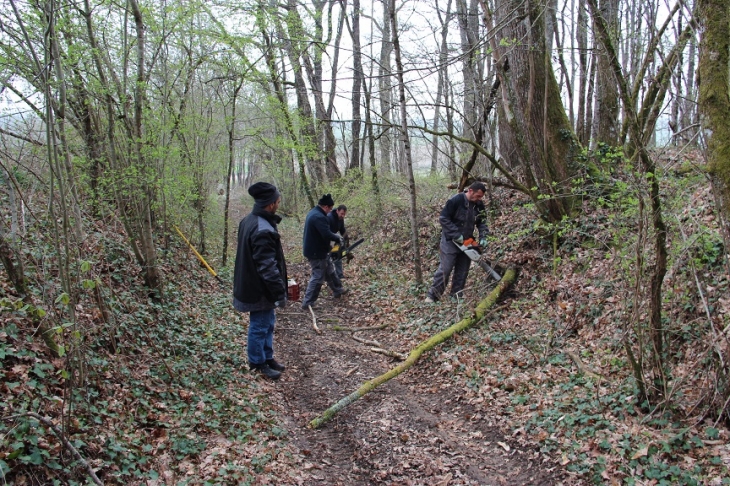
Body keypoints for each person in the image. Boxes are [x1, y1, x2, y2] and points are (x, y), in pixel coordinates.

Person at [233, 182, 288, 380]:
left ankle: (267, 356)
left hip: (255, 285)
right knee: (260, 324)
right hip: (259, 288)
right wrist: (279, 292)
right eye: (277, 200)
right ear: (271, 204)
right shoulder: (262, 228)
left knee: (268, 321)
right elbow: (267, 267)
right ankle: (257, 363)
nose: (279, 202)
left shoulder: (249, 220)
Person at [426, 181, 489, 303]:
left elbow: (482, 222)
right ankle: (432, 296)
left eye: (481, 197)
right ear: (470, 191)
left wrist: (483, 236)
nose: (479, 199)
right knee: (446, 268)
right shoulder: (456, 200)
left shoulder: (479, 205)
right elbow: (443, 218)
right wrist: (455, 234)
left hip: (467, 240)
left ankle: (456, 295)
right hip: (450, 241)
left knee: (463, 270)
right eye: (478, 196)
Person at [301, 194, 348, 309]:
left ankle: (338, 289)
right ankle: (308, 302)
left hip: (319, 249)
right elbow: (326, 233)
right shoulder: (319, 217)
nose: (330, 211)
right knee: (318, 276)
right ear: (326, 207)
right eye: (330, 209)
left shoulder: (314, 213)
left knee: (330, 270)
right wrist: (337, 238)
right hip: (316, 252)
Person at [327, 204, 348, 279]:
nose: (343, 215)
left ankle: (339, 275)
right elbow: (326, 231)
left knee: (337, 255)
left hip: (334, 239)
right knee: (328, 259)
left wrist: (346, 240)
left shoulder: (341, 219)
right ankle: (328, 276)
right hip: (327, 239)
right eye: (342, 213)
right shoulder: (329, 217)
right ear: (337, 211)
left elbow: (342, 230)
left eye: (344, 214)